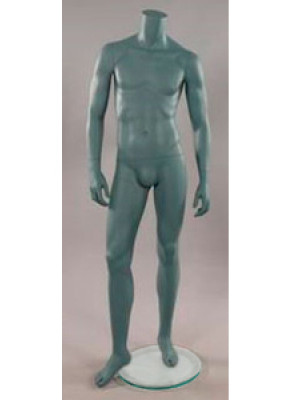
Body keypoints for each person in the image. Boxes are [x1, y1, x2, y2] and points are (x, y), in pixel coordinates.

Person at [86, 9, 211, 387]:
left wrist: (205, 179)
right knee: (115, 255)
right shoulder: (114, 53)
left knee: (168, 250)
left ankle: (165, 337)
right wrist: (93, 167)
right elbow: (95, 113)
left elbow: (201, 124)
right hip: (128, 165)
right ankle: (119, 350)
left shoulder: (186, 60)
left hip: (170, 163)